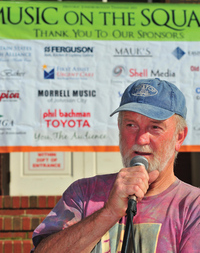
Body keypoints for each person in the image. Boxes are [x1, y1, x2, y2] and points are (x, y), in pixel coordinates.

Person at [31, 78, 200, 253]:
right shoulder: (84, 193)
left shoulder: (193, 207)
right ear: (119, 128)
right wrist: (109, 212)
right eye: (131, 125)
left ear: (179, 137)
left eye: (155, 127)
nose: (141, 139)